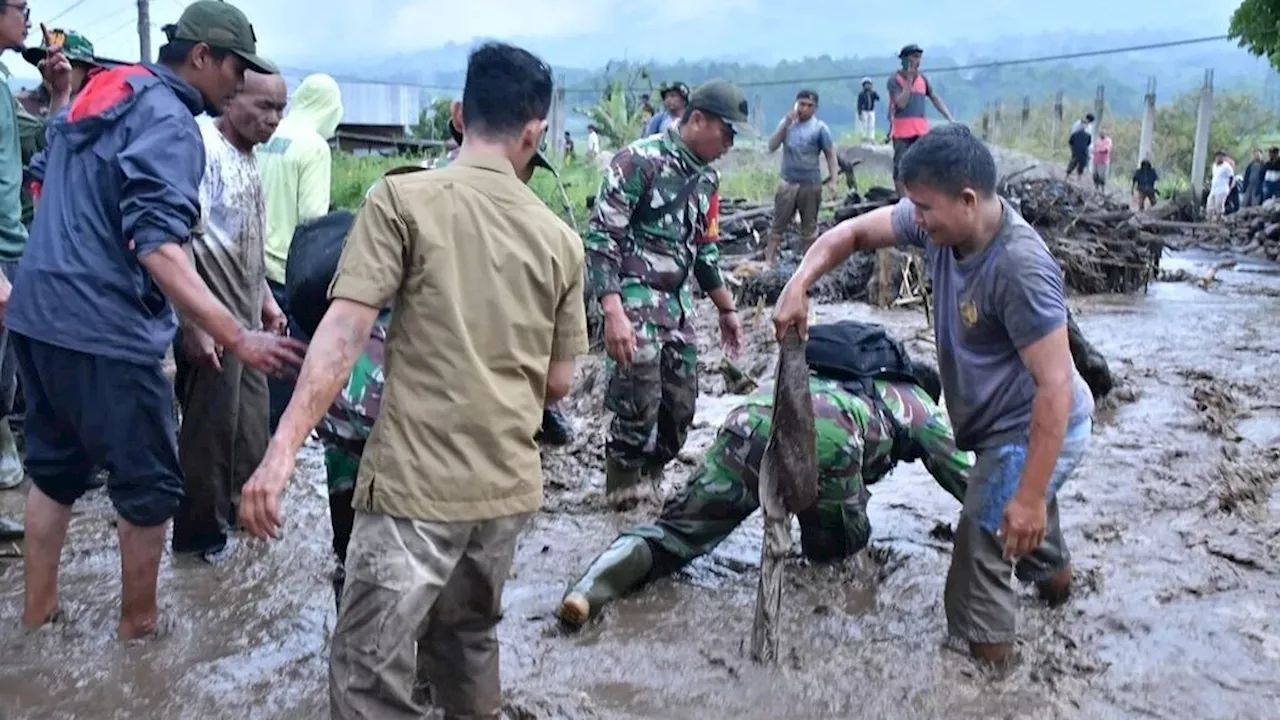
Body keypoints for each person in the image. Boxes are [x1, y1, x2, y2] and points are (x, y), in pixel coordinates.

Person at [238, 42, 589, 719]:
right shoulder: (558, 240)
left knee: (370, 667)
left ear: (458, 114)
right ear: (534, 132)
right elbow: (559, 384)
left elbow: (340, 339)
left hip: (412, 489)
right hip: (503, 492)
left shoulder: (401, 199)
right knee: (469, 642)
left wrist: (279, 457)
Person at [8, 0, 301, 640]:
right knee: (149, 486)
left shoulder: (106, 88)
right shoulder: (170, 120)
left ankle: (38, 618)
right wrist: (235, 333)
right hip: (103, 327)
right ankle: (139, 633)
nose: (239, 84)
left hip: (36, 314)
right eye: (235, 69)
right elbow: (158, 245)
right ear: (202, 58)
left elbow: (43, 176)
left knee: (53, 474)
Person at [773, 125, 1095, 667]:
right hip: (1007, 427)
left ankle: (994, 690)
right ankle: (1064, 598)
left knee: (981, 551)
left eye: (923, 208)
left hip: (1034, 426)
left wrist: (1030, 495)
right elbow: (851, 234)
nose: (913, 219)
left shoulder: (1019, 268)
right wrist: (798, 283)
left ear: (968, 200)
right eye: (911, 206)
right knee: (1024, 524)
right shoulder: (939, 226)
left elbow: (1056, 387)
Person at [557, 325, 974, 627]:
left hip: (753, 418)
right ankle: (827, 612)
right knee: (837, 552)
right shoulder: (917, 403)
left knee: (676, 534)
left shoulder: (838, 373)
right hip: (828, 434)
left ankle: (587, 591)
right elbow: (967, 477)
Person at [585, 79, 747, 510]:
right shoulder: (638, 161)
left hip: (677, 308)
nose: (729, 144)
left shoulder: (707, 181)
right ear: (697, 120)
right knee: (636, 404)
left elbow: (706, 251)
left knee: (679, 409)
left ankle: (650, 484)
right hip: (634, 300)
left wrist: (726, 309)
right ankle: (621, 495)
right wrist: (612, 310)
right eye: (726, 133)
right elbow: (602, 240)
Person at [172, 70, 289, 561]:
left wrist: (266, 299)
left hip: (246, 318)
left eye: (280, 110)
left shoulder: (249, 157)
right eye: (264, 106)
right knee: (208, 433)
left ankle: (245, 518)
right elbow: (178, 240)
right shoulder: (200, 148)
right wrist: (192, 325)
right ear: (232, 95)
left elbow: (246, 240)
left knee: (251, 428)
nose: (273, 120)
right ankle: (199, 542)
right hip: (210, 317)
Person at [256, 72, 344, 432]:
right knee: (285, 373)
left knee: (253, 376)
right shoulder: (314, 148)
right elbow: (313, 225)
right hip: (286, 277)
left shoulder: (268, 135)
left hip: (251, 273)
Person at [764, 89, 838, 266]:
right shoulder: (787, 124)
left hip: (811, 183)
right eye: (802, 104)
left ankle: (810, 265)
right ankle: (769, 261)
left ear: (815, 108)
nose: (804, 108)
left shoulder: (820, 129)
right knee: (777, 225)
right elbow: (772, 145)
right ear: (796, 104)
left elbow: (830, 155)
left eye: (809, 105)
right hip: (788, 182)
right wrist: (786, 124)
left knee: (809, 228)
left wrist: (834, 181)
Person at [887, 44, 954, 194]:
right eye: (913, 57)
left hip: (920, 131)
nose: (917, 61)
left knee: (923, 165)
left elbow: (934, 97)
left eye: (918, 58)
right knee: (900, 166)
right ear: (904, 60)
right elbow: (901, 103)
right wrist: (909, 82)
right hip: (902, 132)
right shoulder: (894, 80)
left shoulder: (923, 79)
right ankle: (902, 201)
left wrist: (950, 118)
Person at [1206, 151, 1234, 222]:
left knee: (1219, 206)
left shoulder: (1227, 167)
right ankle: (1209, 222)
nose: (1219, 158)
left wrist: (1229, 187)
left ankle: (1217, 222)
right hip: (1214, 188)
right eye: (1217, 157)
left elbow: (1231, 177)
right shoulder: (1214, 166)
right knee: (1210, 205)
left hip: (1222, 189)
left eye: (1220, 157)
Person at [857, 77, 879, 142]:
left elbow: (878, 98)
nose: (867, 86)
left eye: (868, 84)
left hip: (871, 111)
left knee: (871, 125)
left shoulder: (872, 93)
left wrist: (874, 92)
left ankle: (871, 137)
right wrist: (860, 113)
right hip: (864, 111)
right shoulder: (861, 94)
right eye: (866, 84)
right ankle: (864, 137)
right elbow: (859, 104)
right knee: (865, 125)